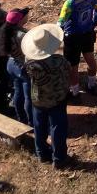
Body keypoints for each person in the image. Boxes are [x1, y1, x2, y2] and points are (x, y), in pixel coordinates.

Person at [22, 23, 72, 169]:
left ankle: (42, 154)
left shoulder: (28, 61)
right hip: (57, 98)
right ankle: (59, 159)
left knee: (39, 126)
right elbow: (68, 70)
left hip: (37, 98)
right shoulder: (59, 61)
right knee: (58, 128)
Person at [58, 0, 97, 96]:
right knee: (90, 59)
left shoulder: (69, 3)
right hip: (87, 33)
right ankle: (91, 84)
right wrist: (93, 23)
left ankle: (75, 92)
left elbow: (60, 23)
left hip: (72, 37)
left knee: (73, 66)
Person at [0, 7, 33, 125]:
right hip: (22, 67)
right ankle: (30, 121)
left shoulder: (6, 31)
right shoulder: (22, 35)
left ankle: (21, 118)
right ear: (20, 20)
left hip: (11, 64)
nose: (26, 16)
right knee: (29, 96)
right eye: (24, 15)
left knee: (18, 92)